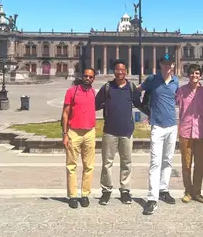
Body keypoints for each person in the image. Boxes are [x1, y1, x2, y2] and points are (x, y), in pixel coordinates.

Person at [136, 53, 179, 215]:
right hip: (157, 127)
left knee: (167, 160)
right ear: (160, 64)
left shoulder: (176, 82)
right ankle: (152, 198)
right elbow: (138, 90)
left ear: (173, 65)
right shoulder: (152, 79)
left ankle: (163, 189)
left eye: (170, 64)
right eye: (165, 63)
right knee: (155, 162)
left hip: (172, 126)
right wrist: (143, 110)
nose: (168, 66)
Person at [95, 59, 142, 205]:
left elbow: (139, 104)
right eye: (117, 69)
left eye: (122, 69)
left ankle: (125, 190)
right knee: (107, 163)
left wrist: (152, 113)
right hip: (109, 131)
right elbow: (95, 104)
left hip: (126, 131)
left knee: (126, 162)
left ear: (126, 72)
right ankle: (106, 191)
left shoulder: (131, 88)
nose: (120, 72)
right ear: (114, 71)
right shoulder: (107, 87)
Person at [61, 68, 97, 209]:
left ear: (93, 79)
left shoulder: (94, 93)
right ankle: (73, 196)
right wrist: (65, 134)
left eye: (90, 76)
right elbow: (65, 113)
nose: (88, 78)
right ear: (82, 76)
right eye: (86, 76)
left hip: (89, 132)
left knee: (89, 166)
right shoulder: (72, 91)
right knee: (71, 165)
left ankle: (85, 195)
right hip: (74, 132)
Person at [175, 63, 203, 204]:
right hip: (185, 132)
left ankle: (197, 192)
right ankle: (188, 192)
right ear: (188, 75)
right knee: (186, 164)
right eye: (192, 73)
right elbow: (170, 104)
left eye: (197, 73)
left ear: (200, 76)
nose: (194, 75)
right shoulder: (181, 91)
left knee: (199, 165)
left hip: (201, 132)